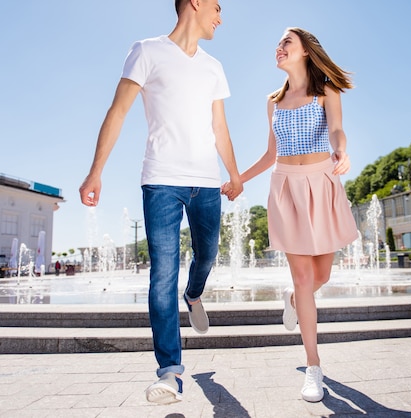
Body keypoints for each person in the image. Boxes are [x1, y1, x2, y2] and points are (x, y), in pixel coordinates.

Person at [79, 0, 242, 405]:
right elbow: (118, 111)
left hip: (206, 182)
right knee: (161, 273)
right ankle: (170, 372)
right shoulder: (146, 51)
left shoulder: (213, 67)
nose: (221, 17)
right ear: (196, 3)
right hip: (160, 181)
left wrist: (235, 174)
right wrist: (95, 170)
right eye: (218, 7)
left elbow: (219, 127)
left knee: (208, 255)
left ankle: (195, 293)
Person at [224, 27, 358, 402]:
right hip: (286, 186)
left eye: (287, 42)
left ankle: (294, 300)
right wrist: (239, 179)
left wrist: (341, 152)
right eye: (279, 43)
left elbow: (337, 130)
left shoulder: (326, 90)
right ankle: (313, 367)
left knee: (322, 275)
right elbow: (271, 154)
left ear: (304, 51)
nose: (279, 48)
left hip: (322, 182)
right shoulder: (273, 102)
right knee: (303, 277)